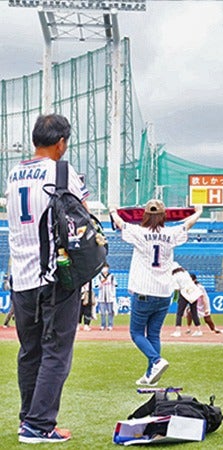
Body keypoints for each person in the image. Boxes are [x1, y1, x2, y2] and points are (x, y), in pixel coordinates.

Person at [7, 114, 88, 443]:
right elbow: (83, 216)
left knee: (30, 351)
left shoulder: (13, 174)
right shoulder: (62, 171)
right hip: (56, 276)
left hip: (21, 278)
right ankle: (39, 425)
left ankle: (27, 419)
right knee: (56, 352)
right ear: (61, 142)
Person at [109, 200, 202, 386]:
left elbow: (120, 223)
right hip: (164, 293)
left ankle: (156, 361)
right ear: (164, 216)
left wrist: (112, 211)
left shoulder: (139, 232)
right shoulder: (170, 233)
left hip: (144, 291)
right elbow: (187, 224)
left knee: (136, 333)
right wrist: (198, 212)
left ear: (145, 215)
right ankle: (150, 374)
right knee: (153, 334)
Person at [170, 263, 203, 337]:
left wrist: (175, 298)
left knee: (179, 313)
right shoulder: (185, 272)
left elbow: (177, 288)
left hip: (185, 293)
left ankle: (178, 331)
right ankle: (199, 330)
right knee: (194, 312)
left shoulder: (174, 276)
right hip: (193, 291)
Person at [95, 263, 117, 331]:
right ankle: (103, 325)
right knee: (102, 312)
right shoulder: (99, 276)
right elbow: (97, 286)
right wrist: (102, 282)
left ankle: (110, 325)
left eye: (105, 267)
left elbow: (115, 285)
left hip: (110, 296)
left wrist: (113, 295)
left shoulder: (111, 276)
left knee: (110, 312)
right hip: (101, 296)